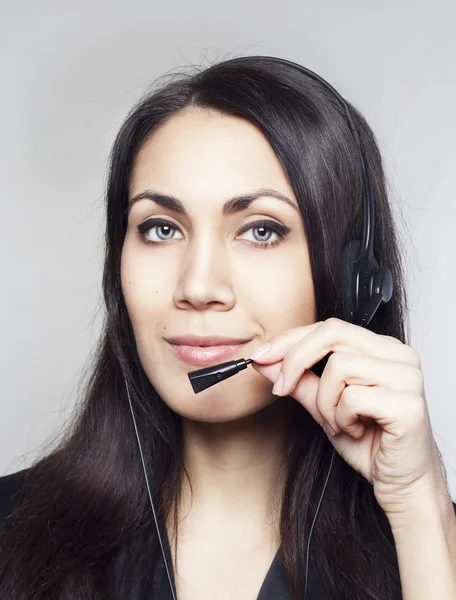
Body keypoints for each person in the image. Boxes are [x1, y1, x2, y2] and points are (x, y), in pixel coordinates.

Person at [0, 55, 455, 600]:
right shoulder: (10, 533)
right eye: (161, 228)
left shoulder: (425, 535)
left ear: (353, 280)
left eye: (261, 231)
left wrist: (417, 505)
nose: (197, 285)